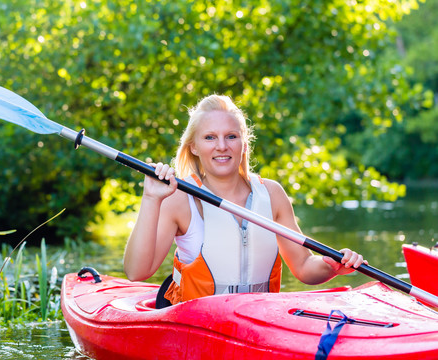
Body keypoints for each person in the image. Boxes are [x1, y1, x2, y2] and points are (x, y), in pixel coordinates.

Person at [124, 94, 366, 307]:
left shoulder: (272, 194)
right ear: (194, 147)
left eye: (231, 136)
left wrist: (331, 266)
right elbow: (137, 272)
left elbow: (303, 267)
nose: (222, 146)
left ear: (244, 143)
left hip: (257, 324)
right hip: (198, 326)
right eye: (209, 137)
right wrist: (150, 199)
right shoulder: (179, 198)